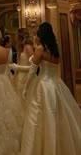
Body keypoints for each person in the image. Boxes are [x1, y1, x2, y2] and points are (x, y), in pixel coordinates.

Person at [21, 22, 81, 155]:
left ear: (41, 34)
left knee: (41, 117)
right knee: (60, 115)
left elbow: (32, 70)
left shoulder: (40, 49)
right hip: (57, 85)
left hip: (43, 85)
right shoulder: (55, 49)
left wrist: (26, 88)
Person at [9, 29, 34, 104]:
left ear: (20, 37)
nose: (15, 37)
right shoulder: (20, 48)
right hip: (19, 77)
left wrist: (17, 67)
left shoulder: (28, 47)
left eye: (16, 35)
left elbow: (33, 67)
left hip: (27, 78)